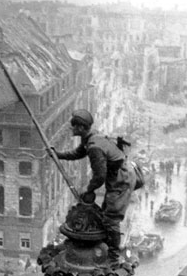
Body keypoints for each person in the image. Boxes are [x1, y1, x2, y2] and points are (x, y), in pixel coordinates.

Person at [53, 109, 136, 264]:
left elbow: (99, 176)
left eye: (75, 126)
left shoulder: (94, 147)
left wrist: (89, 190)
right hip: (117, 175)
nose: (72, 129)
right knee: (105, 213)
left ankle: (113, 256)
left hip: (121, 178)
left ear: (82, 128)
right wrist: (58, 155)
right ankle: (106, 244)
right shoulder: (90, 138)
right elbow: (78, 153)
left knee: (111, 218)